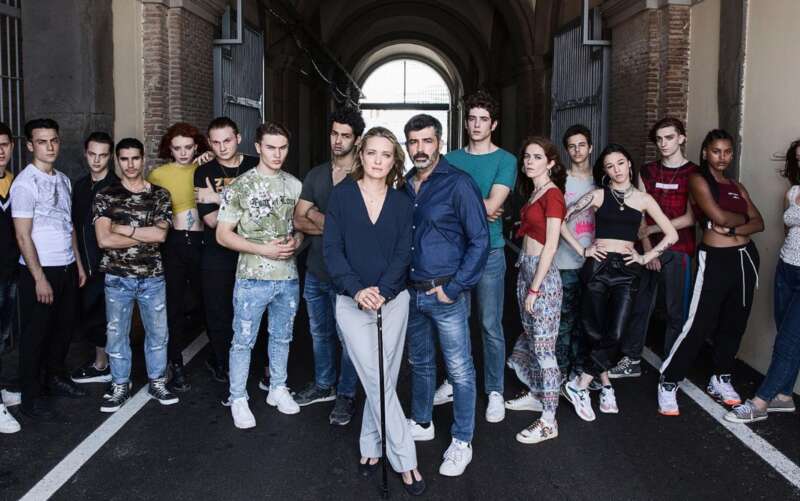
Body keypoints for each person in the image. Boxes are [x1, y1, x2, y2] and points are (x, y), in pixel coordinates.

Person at [323, 126, 425, 496]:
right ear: (361, 155)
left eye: (386, 154)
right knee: (375, 375)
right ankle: (405, 456)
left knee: (382, 376)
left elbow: (403, 253)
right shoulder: (342, 195)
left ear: (394, 160)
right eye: (371, 153)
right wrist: (357, 289)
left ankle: (370, 442)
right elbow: (332, 249)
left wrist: (383, 291)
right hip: (352, 303)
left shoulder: (402, 202)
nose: (378, 161)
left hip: (392, 302)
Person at [560, 144, 677, 421]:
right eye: (610, 166)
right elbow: (561, 220)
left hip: (627, 269)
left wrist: (645, 256)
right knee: (594, 330)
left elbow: (671, 234)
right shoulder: (598, 195)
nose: (617, 169)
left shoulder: (644, 199)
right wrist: (583, 250)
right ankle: (606, 385)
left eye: (621, 163)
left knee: (617, 332)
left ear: (629, 164)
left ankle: (580, 384)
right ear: (605, 171)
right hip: (598, 266)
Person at [403, 114, 488, 477]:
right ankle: (422, 422)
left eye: (427, 141)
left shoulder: (458, 183)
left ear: (439, 142)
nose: (420, 148)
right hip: (412, 293)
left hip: (445, 293)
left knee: (459, 370)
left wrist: (454, 288)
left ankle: (462, 440)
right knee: (420, 364)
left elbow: (480, 240)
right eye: (413, 142)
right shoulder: (405, 185)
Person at [658, 129, 764, 416]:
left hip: (745, 259)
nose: (722, 157)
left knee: (735, 322)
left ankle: (721, 377)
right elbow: (717, 215)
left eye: (727, 152)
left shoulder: (736, 186)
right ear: (705, 152)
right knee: (699, 323)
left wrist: (730, 228)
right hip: (716, 259)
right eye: (716, 151)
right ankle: (669, 380)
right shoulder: (698, 179)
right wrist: (739, 221)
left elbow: (759, 222)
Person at [217, 122, 304, 428]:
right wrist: (262, 249)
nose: (277, 154)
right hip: (251, 277)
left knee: (282, 336)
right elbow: (223, 235)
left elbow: (300, 229)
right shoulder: (240, 186)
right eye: (270, 147)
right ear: (257, 147)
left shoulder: (294, 185)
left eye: (282, 148)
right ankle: (238, 397)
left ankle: (277, 387)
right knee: (243, 340)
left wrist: (297, 242)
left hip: (287, 277)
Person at [441, 91, 517, 423]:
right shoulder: (449, 160)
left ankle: (495, 390)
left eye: (483, 119)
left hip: (490, 251)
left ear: (493, 124)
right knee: (455, 323)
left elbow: (493, 205)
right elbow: (441, 208)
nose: (476, 125)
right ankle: (455, 381)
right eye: (472, 118)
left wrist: (469, 208)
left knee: (489, 323)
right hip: (454, 255)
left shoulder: (506, 160)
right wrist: (479, 208)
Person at [94, 138, 179, 412]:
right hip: (117, 277)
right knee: (117, 334)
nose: (130, 164)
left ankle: (157, 382)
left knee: (158, 333)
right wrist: (145, 234)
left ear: (143, 159)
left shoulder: (160, 195)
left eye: (135, 158)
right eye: (124, 159)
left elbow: (160, 236)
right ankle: (120, 384)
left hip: (152, 277)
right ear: (118, 161)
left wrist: (124, 229)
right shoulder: (106, 195)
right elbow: (104, 240)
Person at [12, 118, 87, 420]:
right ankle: (31, 396)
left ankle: (55, 378)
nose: (50, 146)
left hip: (66, 266)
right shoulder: (24, 183)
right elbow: (22, 236)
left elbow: (69, 226)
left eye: (53, 140)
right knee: (35, 336)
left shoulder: (64, 180)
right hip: (40, 271)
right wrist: (39, 277)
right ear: (30, 145)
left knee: (63, 330)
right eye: (42, 142)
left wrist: (77, 263)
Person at [293, 108, 364, 426]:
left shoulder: (364, 176)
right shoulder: (316, 174)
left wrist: (315, 215)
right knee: (319, 332)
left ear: (357, 140)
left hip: (349, 275)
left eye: (345, 135)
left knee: (348, 338)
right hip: (316, 270)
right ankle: (324, 385)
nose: (338, 140)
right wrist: (334, 225)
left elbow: (360, 229)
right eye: (334, 133)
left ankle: (346, 394)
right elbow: (298, 219)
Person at [612, 117, 697, 379]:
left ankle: (672, 365)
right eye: (659, 139)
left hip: (679, 249)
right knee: (640, 306)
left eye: (669, 137)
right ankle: (631, 359)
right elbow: (639, 213)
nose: (664, 143)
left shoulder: (694, 173)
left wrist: (654, 230)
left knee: (675, 311)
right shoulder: (647, 171)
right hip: (645, 250)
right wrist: (648, 248)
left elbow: (690, 218)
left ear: (681, 138)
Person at [725, 139, 800, 423]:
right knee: (787, 337)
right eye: (798, 159)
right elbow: (788, 231)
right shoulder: (793, 192)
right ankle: (784, 396)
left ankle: (760, 403)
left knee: (788, 342)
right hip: (786, 269)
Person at [507, 136, 566, 444]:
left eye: (537, 157)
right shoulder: (536, 191)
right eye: (527, 156)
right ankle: (537, 394)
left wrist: (534, 289)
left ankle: (549, 420)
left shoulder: (552, 194)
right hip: (527, 269)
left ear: (551, 163)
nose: (529, 162)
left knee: (544, 350)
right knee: (532, 340)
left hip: (542, 279)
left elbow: (551, 245)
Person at [194, 117, 259, 383]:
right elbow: (211, 221)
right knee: (219, 311)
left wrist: (217, 197)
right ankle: (224, 363)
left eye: (227, 141)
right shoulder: (203, 171)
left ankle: (258, 363)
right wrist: (248, 209)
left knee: (255, 310)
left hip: (253, 253)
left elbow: (265, 212)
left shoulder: (257, 165)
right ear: (209, 143)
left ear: (239, 138)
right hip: (217, 253)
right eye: (216, 142)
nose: (222, 147)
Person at [148, 122, 209, 392]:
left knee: (208, 300)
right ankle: (176, 362)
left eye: (188, 147)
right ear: (169, 149)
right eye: (177, 148)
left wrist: (210, 159)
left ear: (196, 147)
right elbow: (149, 208)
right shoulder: (158, 174)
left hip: (202, 241)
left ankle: (219, 359)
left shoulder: (205, 168)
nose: (183, 153)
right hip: (173, 243)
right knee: (173, 305)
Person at [71, 132, 118, 384]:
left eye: (102, 155)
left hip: (110, 263)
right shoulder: (79, 186)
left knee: (108, 317)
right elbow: (74, 227)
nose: (97, 160)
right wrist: (79, 263)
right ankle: (102, 364)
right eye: (92, 154)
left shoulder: (117, 187)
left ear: (110, 157)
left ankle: (106, 366)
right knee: (91, 314)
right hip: (84, 262)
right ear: (85, 154)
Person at [0, 122, 20, 433]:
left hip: (9, 272)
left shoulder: (16, 183)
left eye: (4, 144)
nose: (0, 151)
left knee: (2, 337)